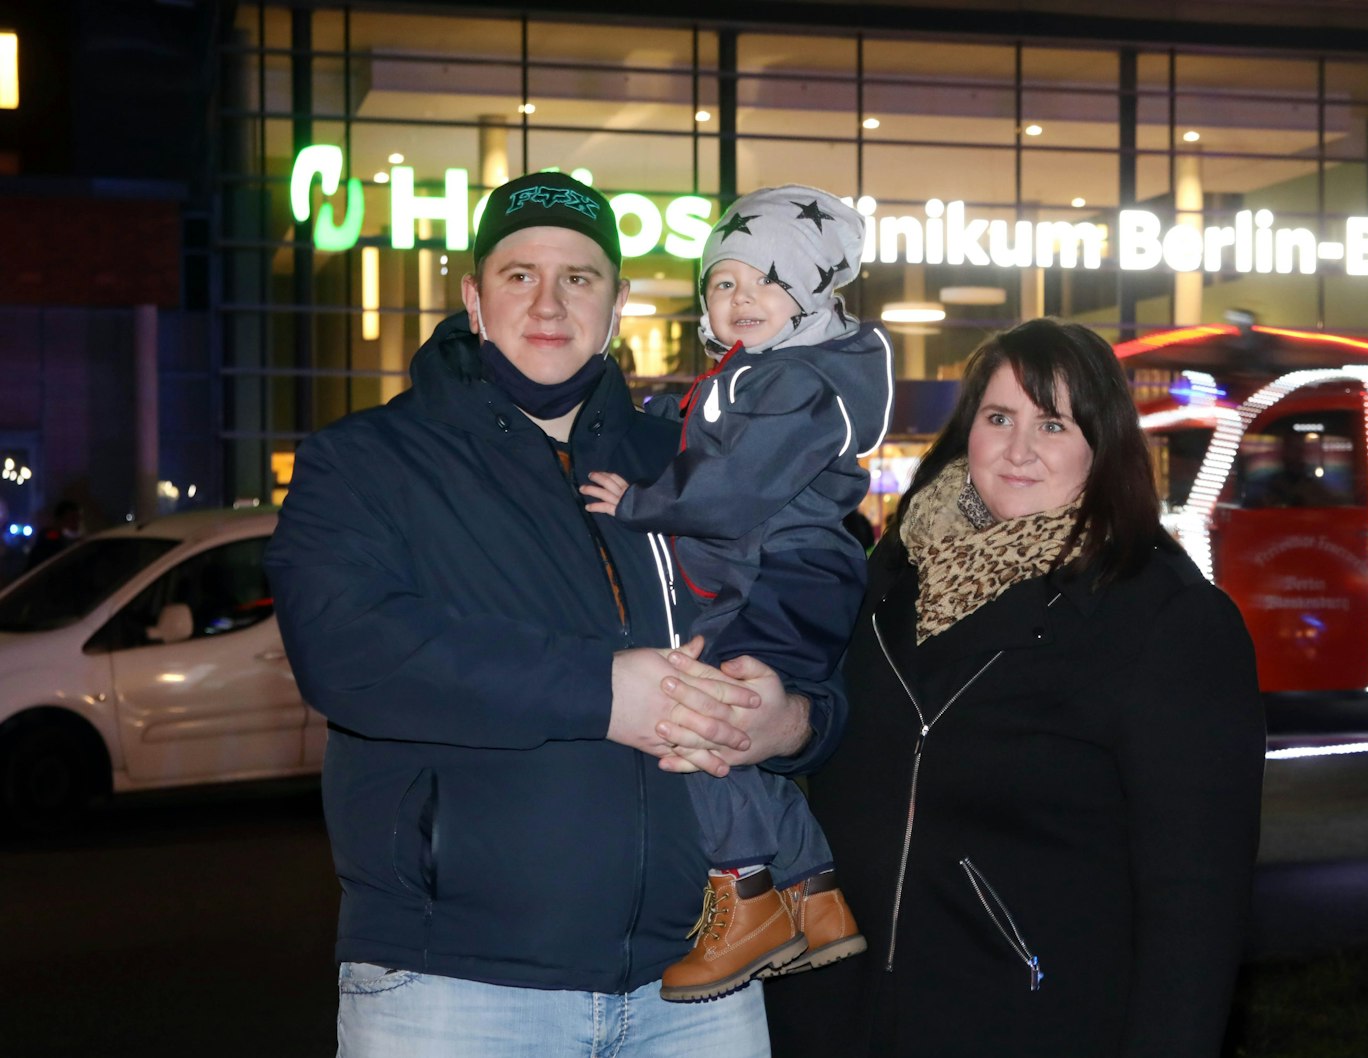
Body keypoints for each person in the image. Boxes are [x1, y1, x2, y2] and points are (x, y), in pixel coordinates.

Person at [265, 169, 843, 1058]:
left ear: (614, 305)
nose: (548, 301)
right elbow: (348, 651)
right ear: (472, 296)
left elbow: (814, 643)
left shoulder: (690, 465)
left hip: (698, 980)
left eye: (579, 277)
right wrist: (601, 692)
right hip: (452, 987)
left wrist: (791, 719)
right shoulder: (367, 460)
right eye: (519, 273)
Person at [766, 319, 1266, 1058]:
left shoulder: (1165, 620)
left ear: (1105, 446)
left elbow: (1195, 903)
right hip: (834, 1014)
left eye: (1053, 424)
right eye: (999, 417)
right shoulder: (883, 581)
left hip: (1029, 1020)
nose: (1018, 448)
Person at [579, 184, 888, 1002]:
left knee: (695, 721)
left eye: (767, 281)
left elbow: (733, 487)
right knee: (735, 725)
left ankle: (745, 894)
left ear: (814, 293)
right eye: (724, 283)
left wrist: (641, 502)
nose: (741, 298)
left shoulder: (792, 384)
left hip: (781, 575)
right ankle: (814, 898)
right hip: (791, 573)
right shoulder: (772, 372)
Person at [24, 500, 82, 569]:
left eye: (78, 519)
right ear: (60, 520)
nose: (76, 524)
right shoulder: (50, 538)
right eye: (72, 519)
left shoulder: (76, 541)